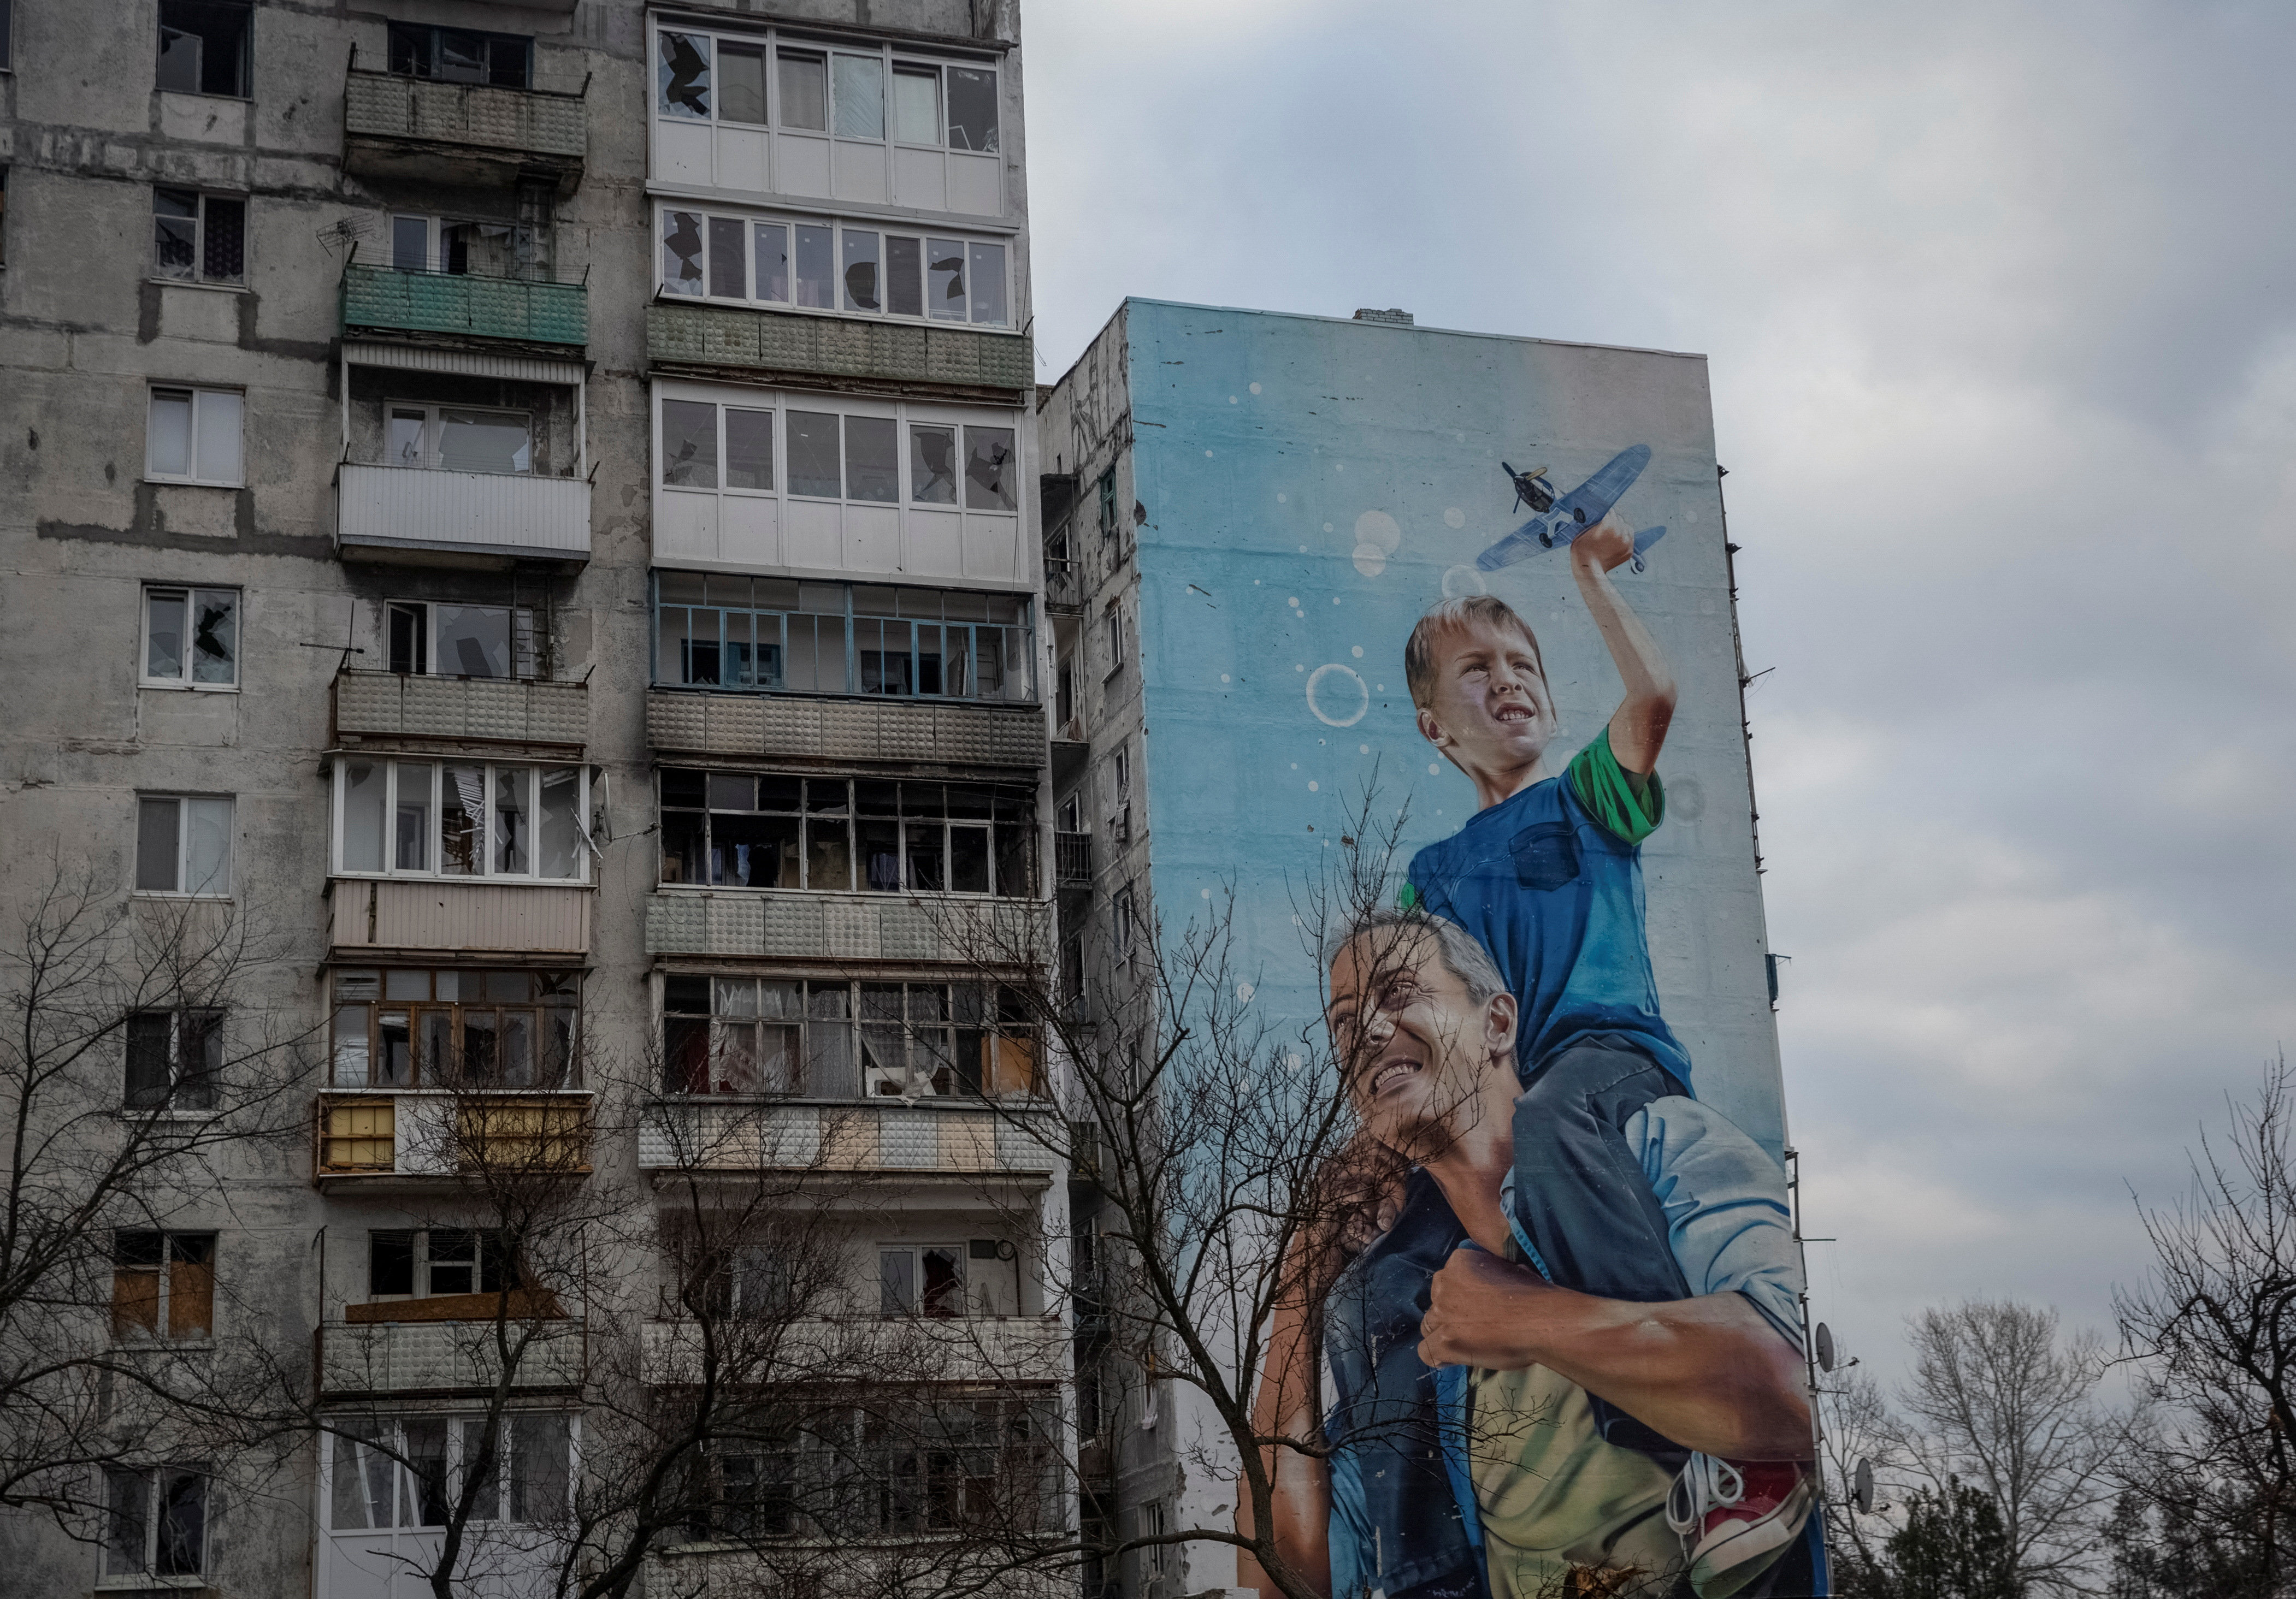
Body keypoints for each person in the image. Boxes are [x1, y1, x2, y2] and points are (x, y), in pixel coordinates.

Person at [1272, 912, 1814, 1598]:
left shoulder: (1649, 1148)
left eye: (1401, 992)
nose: (1368, 1033)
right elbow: (1286, 1575)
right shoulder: (1404, 1322)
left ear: (1498, 1023)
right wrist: (1297, 1287)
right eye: (1343, 1024)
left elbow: (1799, 1395)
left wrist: (1527, 1322)